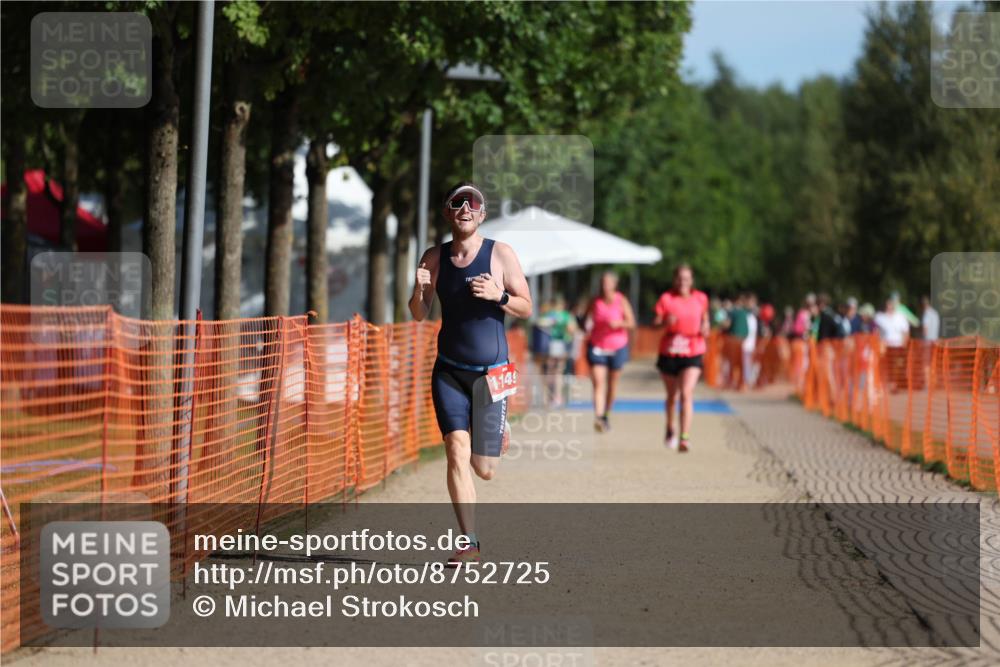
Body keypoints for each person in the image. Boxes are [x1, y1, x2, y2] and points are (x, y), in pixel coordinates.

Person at [409, 181, 532, 565]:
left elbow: (527, 307)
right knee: (455, 450)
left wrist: (500, 296)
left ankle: (499, 427)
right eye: (457, 202)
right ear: (448, 212)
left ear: (482, 214)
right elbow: (418, 313)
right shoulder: (434, 257)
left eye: (473, 203)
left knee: (486, 469)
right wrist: (417, 291)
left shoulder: (501, 254)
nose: (465, 208)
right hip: (448, 371)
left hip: (492, 375)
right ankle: (469, 542)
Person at [653, 264, 710, 452]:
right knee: (672, 396)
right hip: (669, 352)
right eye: (679, 278)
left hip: (693, 350)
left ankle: (684, 437)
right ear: (674, 280)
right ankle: (670, 428)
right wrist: (664, 322)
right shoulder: (666, 299)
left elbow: (705, 320)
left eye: (686, 278)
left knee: (686, 393)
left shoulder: (701, 298)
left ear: (691, 281)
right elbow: (655, 324)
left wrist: (705, 327)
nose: (683, 282)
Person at [585, 271, 636, 432]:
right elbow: (585, 317)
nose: (604, 286)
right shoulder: (595, 301)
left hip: (617, 346)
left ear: (614, 284)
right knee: (598, 382)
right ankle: (599, 417)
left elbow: (632, 323)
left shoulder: (621, 300)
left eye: (608, 283)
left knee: (612, 385)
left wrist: (620, 324)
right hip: (597, 346)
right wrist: (586, 324)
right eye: (602, 283)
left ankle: (606, 414)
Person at [542, 295, 576, 407]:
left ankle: (548, 397)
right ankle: (557, 397)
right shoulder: (566, 316)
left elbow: (541, 326)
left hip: (549, 344)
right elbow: (572, 330)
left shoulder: (549, 314)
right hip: (561, 343)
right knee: (558, 372)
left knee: (549, 371)